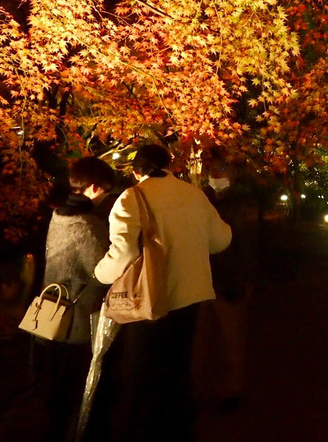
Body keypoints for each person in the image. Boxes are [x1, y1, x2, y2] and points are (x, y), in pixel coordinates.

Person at [95, 143, 231, 442]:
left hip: (149, 299)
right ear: (169, 166)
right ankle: (179, 429)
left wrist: (99, 274)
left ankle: (146, 430)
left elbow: (123, 254)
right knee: (179, 368)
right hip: (193, 296)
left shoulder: (131, 198)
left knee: (143, 373)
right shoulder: (193, 194)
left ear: (136, 172)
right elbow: (220, 239)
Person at [41, 157, 116, 442]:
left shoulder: (58, 216)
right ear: (95, 188)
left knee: (53, 386)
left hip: (50, 309)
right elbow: (102, 271)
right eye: (106, 192)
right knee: (75, 388)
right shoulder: (88, 225)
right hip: (76, 320)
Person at [195, 148, 258, 410]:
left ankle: (233, 386)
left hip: (228, 276)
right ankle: (204, 386)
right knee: (202, 337)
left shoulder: (240, 202)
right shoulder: (202, 199)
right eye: (212, 168)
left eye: (221, 168)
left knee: (231, 336)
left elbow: (248, 242)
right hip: (203, 277)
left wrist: (246, 276)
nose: (215, 173)